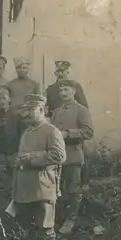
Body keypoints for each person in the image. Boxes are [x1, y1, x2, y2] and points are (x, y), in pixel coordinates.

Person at [12, 94, 66, 240]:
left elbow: (59, 156)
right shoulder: (27, 132)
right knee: (29, 226)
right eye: (26, 110)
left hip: (43, 186)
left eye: (31, 110)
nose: (28, 113)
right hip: (26, 186)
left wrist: (32, 157)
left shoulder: (51, 131)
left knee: (45, 227)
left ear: (42, 110)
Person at [50, 80, 94, 235]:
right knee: (58, 188)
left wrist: (68, 134)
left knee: (73, 189)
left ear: (74, 91)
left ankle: (71, 219)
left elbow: (88, 132)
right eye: (61, 90)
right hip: (56, 156)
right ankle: (60, 217)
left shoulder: (81, 110)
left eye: (66, 90)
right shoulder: (56, 111)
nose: (63, 93)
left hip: (73, 155)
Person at [45, 60, 91, 188]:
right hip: (56, 125)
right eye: (58, 71)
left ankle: (84, 182)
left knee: (77, 159)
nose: (60, 74)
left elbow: (84, 106)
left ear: (67, 72)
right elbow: (48, 108)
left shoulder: (75, 86)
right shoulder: (51, 89)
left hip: (73, 126)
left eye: (62, 71)